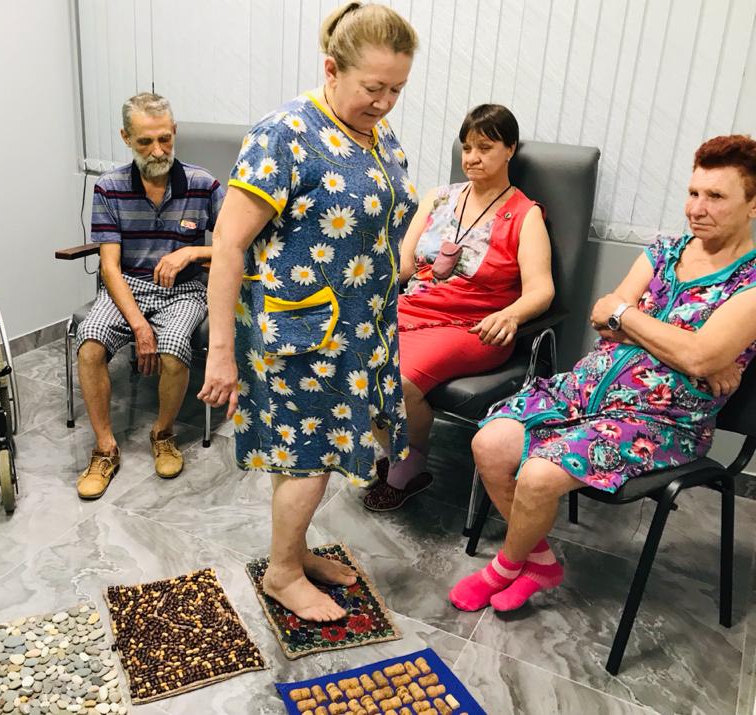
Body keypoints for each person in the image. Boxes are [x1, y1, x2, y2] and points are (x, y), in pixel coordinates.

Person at [450, 134, 756, 613]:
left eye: (716, 196)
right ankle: (540, 562)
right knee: (488, 444)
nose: (697, 208)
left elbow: (697, 357)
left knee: (538, 475)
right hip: (582, 390)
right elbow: (601, 316)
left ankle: (504, 567)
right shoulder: (665, 251)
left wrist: (630, 319)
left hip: (658, 421)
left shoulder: (750, 283)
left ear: (752, 205)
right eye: (693, 192)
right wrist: (673, 343)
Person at [199, 2, 419, 621]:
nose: (385, 102)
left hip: (360, 327)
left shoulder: (375, 133)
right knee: (311, 459)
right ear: (331, 69)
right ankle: (284, 573)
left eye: (397, 89)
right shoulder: (285, 134)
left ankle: (292, 551)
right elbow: (229, 245)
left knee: (304, 454)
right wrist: (221, 352)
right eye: (373, 87)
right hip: (302, 336)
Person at [363, 105, 553, 511]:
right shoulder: (438, 198)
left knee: (395, 380)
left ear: (510, 149)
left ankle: (411, 465)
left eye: (485, 147)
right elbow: (404, 265)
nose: (472, 157)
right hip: (412, 307)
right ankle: (398, 450)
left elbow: (542, 290)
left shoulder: (525, 215)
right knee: (351, 361)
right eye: (467, 148)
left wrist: (511, 315)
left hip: (473, 326)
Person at [74, 92, 225, 500]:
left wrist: (192, 252)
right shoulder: (109, 188)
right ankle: (105, 449)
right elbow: (109, 268)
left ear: (174, 131)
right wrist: (140, 326)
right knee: (89, 344)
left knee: (174, 349)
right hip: (127, 286)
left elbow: (236, 245)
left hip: (184, 290)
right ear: (126, 138)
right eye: (145, 142)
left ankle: (163, 433)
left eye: (164, 139)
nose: (157, 151)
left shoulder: (202, 184)